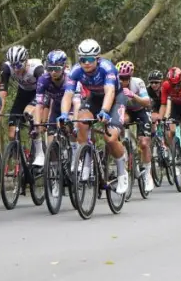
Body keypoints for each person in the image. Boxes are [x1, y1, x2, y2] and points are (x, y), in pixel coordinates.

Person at [59, 39, 130, 194]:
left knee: (110, 138)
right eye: (83, 59)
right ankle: (86, 160)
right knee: (81, 122)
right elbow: (67, 95)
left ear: (97, 59)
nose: (86, 63)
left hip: (115, 99)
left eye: (90, 59)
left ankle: (122, 171)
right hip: (95, 98)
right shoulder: (76, 71)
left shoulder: (107, 68)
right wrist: (64, 113)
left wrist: (104, 111)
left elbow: (110, 92)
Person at [116, 60, 154, 192]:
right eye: (120, 78)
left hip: (141, 111)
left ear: (130, 77)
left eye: (125, 78)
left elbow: (147, 102)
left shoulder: (138, 82)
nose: (122, 81)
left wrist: (133, 95)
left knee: (143, 143)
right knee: (120, 121)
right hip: (126, 111)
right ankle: (125, 148)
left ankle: (148, 174)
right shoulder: (114, 83)